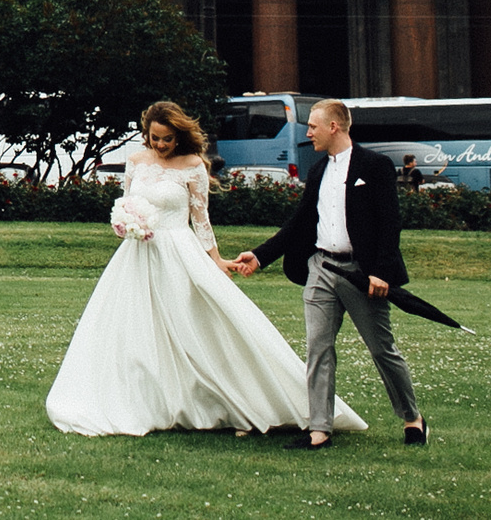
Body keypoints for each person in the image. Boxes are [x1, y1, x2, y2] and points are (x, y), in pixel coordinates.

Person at [46, 101, 365, 439]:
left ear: (179, 136)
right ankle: (145, 399)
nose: (160, 145)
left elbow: (201, 221)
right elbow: (126, 203)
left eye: (167, 138)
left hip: (178, 252)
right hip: (137, 255)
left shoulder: (193, 165)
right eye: (155, 138)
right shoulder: (136, 161)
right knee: (133, 328)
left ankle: (238, 400)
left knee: (199, 326)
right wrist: (126, 223)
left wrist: (215, 260)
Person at [232, 99, 428, 451]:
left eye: (313, 126)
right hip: (320, 269)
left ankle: (413, 418)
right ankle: (319, 429)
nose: (308, 133)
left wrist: (381, 273)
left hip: (361, 274)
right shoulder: (319, 171)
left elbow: (390, 223)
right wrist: (259, 257)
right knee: (318, 349)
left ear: (334, 127)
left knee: (382, 350)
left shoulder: (376, 166)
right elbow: (300, 224)